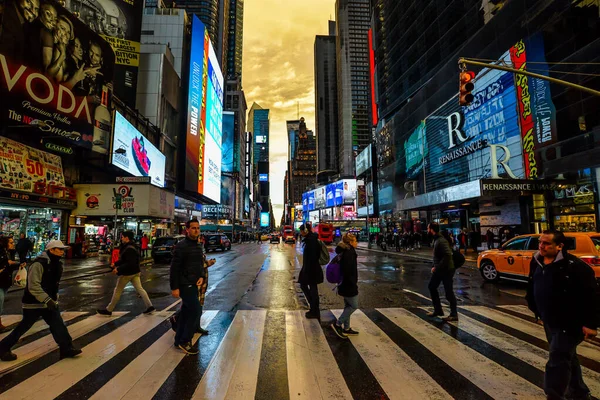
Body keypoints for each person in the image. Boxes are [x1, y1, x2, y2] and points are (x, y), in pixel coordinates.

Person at [526, 230, 599, 400]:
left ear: (559, 246)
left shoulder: (575, 267)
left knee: (557, 360)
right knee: (567, 356)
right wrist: (537, 311)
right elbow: (533, 285)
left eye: (546, 244)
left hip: (570, 322)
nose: (541, 246)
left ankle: (553, 395)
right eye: (540, 242)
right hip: (549, 320)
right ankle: (579, 392)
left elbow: (592, 296)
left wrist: (591, 324)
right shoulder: (536, 261)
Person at [0, 240, 81, 361]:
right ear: (51, 250)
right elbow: (33, 286)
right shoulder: (39, 264)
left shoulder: (57, 264)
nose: (62, 252)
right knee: (24, 327)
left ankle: (66, 348)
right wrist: (47, 299)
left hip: (48, 302)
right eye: (59, 249)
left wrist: (54, 298)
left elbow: (54, 284)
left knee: (58, 325)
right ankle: (3, 347)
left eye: (62, 249)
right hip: (33, 303)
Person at [97, 231, 154, 316]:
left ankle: (109, 309)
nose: (121, 238)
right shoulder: (132, 246)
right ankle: (150, 306)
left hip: (127, 273)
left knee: (117, 290)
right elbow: (125, 260)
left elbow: (129, 262)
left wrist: (118, 269)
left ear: (127, 238)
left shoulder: (129, 248)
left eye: (123, 237)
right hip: (135, 272)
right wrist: (115, 264)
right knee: (140, 289)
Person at [170, 219, 205, 354]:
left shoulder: (198, 245)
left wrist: (201, 276)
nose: (196, 230)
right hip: (184, 284)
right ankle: (185, 340)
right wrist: (174, 287)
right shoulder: (181, 246)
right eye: (193, 228)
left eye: (198, 228)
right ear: (187, 230)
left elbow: (200, 264)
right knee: (196, 311)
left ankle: (178, 340)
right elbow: (174, 268)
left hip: (194, 283)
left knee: (185, 312)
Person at [170, 247, 216, 335]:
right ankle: (176, 319)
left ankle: (196, 326)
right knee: (193, 306)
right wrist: (208, 263)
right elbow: (193, 266)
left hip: (201, 284)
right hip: (193, 284)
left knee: (199, 306)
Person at [426, 222, 458, 322]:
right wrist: (434, 266)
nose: (427, 230)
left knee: (448, 292)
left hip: (446, 270)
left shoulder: (441, 240)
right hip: (440, 269)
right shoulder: (436, 240)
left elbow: (448, 255)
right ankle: (438, 310)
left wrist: (437, 267)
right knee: (432, 286)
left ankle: (454, 314)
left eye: (428, 228)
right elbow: (438, 256)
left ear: (431, 229)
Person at [330, 233, 359, 339]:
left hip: (343, 283)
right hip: (348, 284)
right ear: (350, 242)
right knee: (354, 306)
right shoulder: (349, 253)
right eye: (355, 241)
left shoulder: (344, 251)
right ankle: (338, 324)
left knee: (348, 306)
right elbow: (348, 271)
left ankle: (346, 329)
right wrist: (353, 283)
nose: (357, 242)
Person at [298, 224, 323, 319]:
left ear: (306, 230)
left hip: (311, 269)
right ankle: (314, 308)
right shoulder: (310, 239)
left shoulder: (311, 241)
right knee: (310, 288)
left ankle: (314, 309)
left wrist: (306, 270)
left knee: (311, 289)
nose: (300, 233)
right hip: (310, 269)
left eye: (301, 231)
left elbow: (312, 257)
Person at [0, 237, 23, 330]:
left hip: (4, 281)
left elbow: (8, 266)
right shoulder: (2, 252)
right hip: (1, 281)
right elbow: (5, 264)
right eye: (11, 242)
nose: (13, 244)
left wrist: (18, 265)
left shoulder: (8, 252)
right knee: (0, 300)